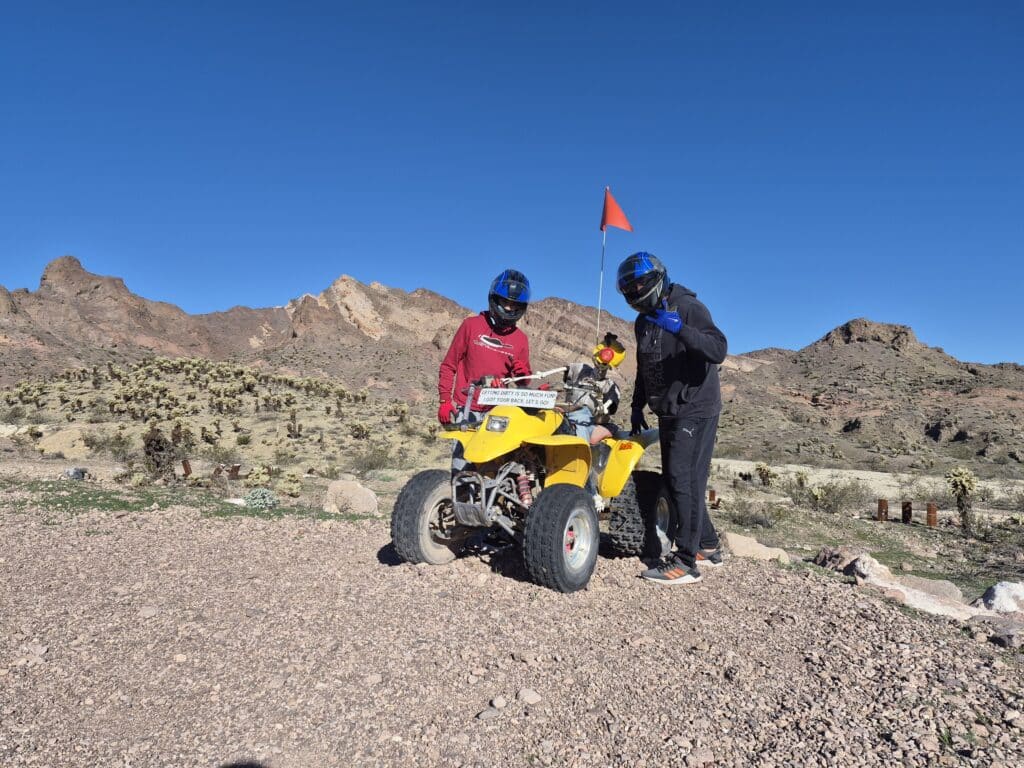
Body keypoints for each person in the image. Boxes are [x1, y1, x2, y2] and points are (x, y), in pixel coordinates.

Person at [616, 251, 728, 585]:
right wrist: (637, 405)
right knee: (682, 479)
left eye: (640, 286)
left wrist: (681, 330)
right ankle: (707, 545)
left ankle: (684, 561)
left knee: (684, 480)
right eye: (630, 291)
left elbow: (718, 349)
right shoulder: (643, 321)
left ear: (657, 280)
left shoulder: (688, 307)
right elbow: (644, 366)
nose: (636, 294)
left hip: (695, 407)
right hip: (666, 409)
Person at [438, 269, 533, 434]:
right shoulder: (471, 325)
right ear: (495, 299)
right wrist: (445, 400)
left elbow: (523, 382)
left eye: (515, 304)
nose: (510, 308)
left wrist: (523, 376)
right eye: (505, 302)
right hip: (467, 408)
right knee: (463, 458)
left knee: (496, 459)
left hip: (498, 410)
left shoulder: (520, 339)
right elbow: (449, 365)